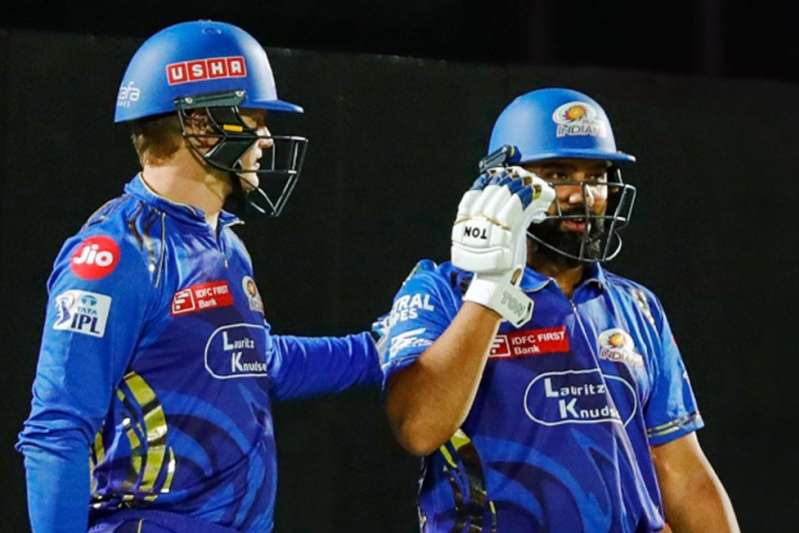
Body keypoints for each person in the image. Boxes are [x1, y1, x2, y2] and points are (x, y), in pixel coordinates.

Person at [16, 20, 381, 533]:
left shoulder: (224, 243)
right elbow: (57, 430)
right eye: (255, 119)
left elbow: (255, 362)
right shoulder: (115, 256)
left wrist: (377, 350)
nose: (266, 139)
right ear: (203, 127)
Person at [378, 88, 740, 532]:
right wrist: (491, 290)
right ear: (500, 183)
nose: (581, 195)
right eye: (558, 174)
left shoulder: (636, 305)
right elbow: (417, 427)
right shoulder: (443, 290)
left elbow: (681, 472)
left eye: (597, 176)